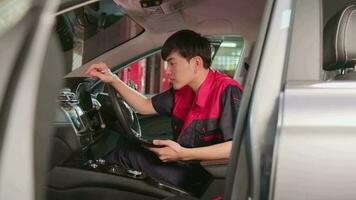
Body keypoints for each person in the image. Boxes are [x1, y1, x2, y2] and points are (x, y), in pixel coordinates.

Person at [85, 29, 243, 191]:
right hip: (185, 164)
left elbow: (237, 146)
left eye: (172, 63)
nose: (167, 71)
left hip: (206, 177)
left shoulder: (227, 90)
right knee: (131, 149)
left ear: (196, 63)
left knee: (125, 156)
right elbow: (144, 106)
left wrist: (182, 154)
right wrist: (112, 79)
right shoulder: (183, 91)